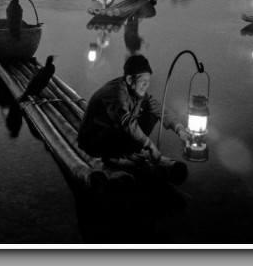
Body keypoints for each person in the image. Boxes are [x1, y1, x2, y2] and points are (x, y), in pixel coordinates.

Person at [77, 54, 190, 183]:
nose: (146, 86)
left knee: (152, 113)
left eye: (148, 82)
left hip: (111, 137)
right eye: (143, 82)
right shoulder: (115, 92)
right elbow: (125, 121)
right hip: (93, 141)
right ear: (130, 79)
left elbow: (160, 110)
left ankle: (130, 154)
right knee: (129, 124)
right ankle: (115, 158)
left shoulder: (137, 92)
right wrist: (150, 146)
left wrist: (180, 130)